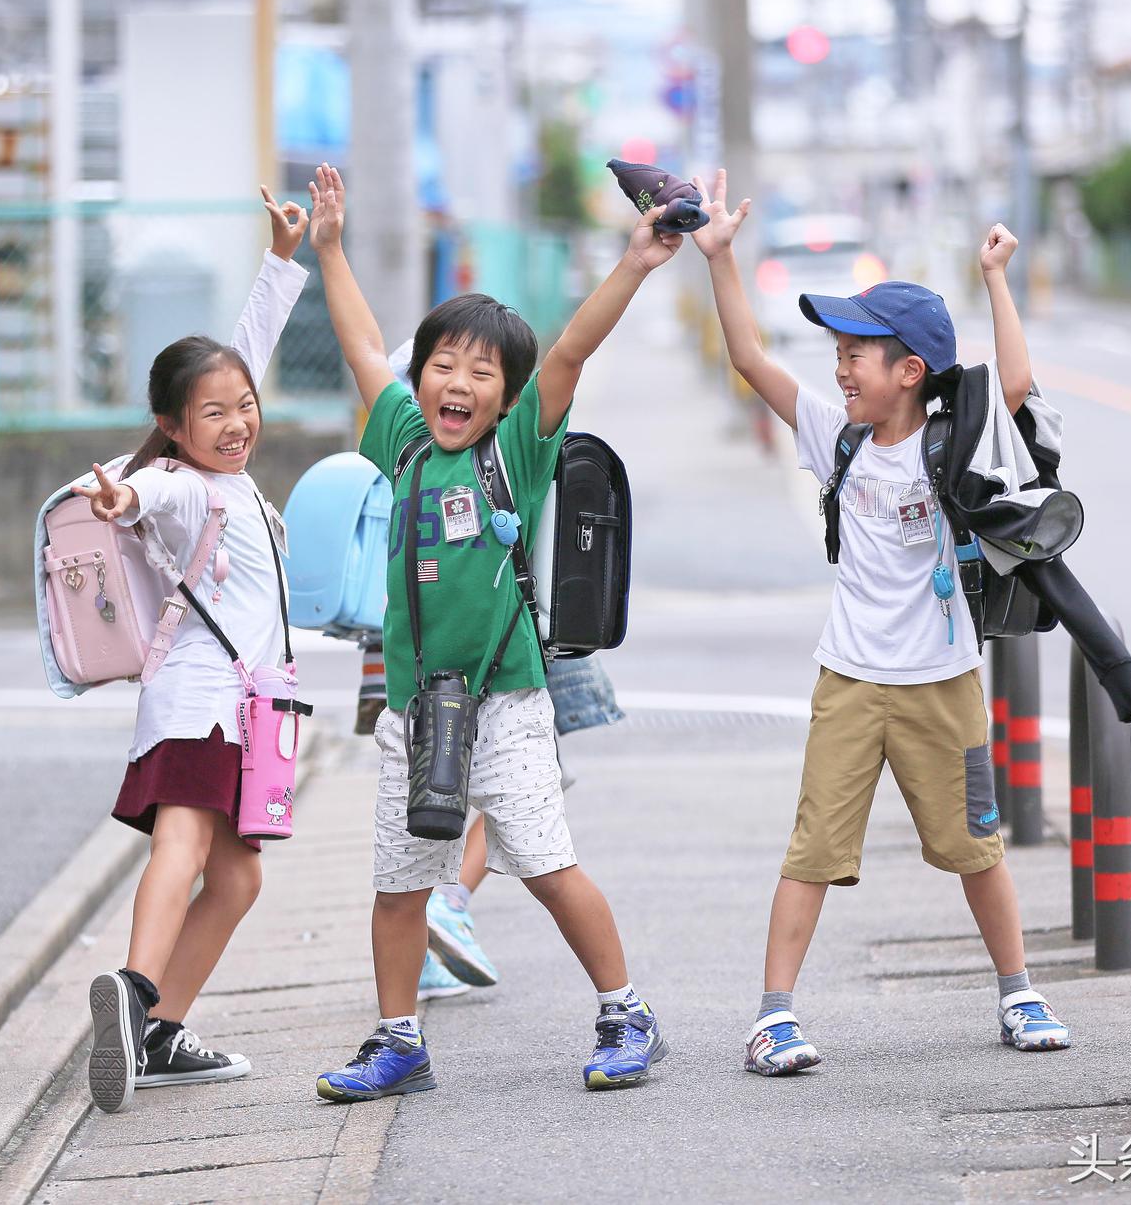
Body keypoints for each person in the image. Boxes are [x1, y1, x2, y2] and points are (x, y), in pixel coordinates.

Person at [306, 162, 679, 1100]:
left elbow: (571, 352)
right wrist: (329, 249)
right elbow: (361, 347)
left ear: (508, 395)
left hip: (508, 704)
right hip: (412, 711)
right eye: (444, 364)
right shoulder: (402, 439)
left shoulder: (516, 449)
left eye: (482, 371)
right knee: (400, 885)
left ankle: (627, 1013)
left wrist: (636, 262)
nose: (458, 382)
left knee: (549, 869)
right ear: (420, 377)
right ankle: (400, 1041)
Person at [690, 170, 1072, 1075]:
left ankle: (1020, 992)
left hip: (943, 681)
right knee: (813, 846)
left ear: (909, 371)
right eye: (838, 348)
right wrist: (720, 259)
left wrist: (996, 280)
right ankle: (773, 1015)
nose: (839, 365)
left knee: (976, 846)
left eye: (856, 350)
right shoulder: (838, 436)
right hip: (851, 681)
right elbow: (749, 357)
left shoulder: (956, 444)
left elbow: (1016, 383)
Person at [72, 188, 314, 1112]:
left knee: (239, 876)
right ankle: (137, 993)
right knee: (183, 839)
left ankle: (159, 1030)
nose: (236, 421)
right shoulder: (181, 484)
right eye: (212, 413)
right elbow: (147, 498)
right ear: (173, 426)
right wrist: (122, 499)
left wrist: (281, 260)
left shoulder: (234, 477)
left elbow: (245, 351)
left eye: (244, 406)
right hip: (202, 703)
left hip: (244, 713)